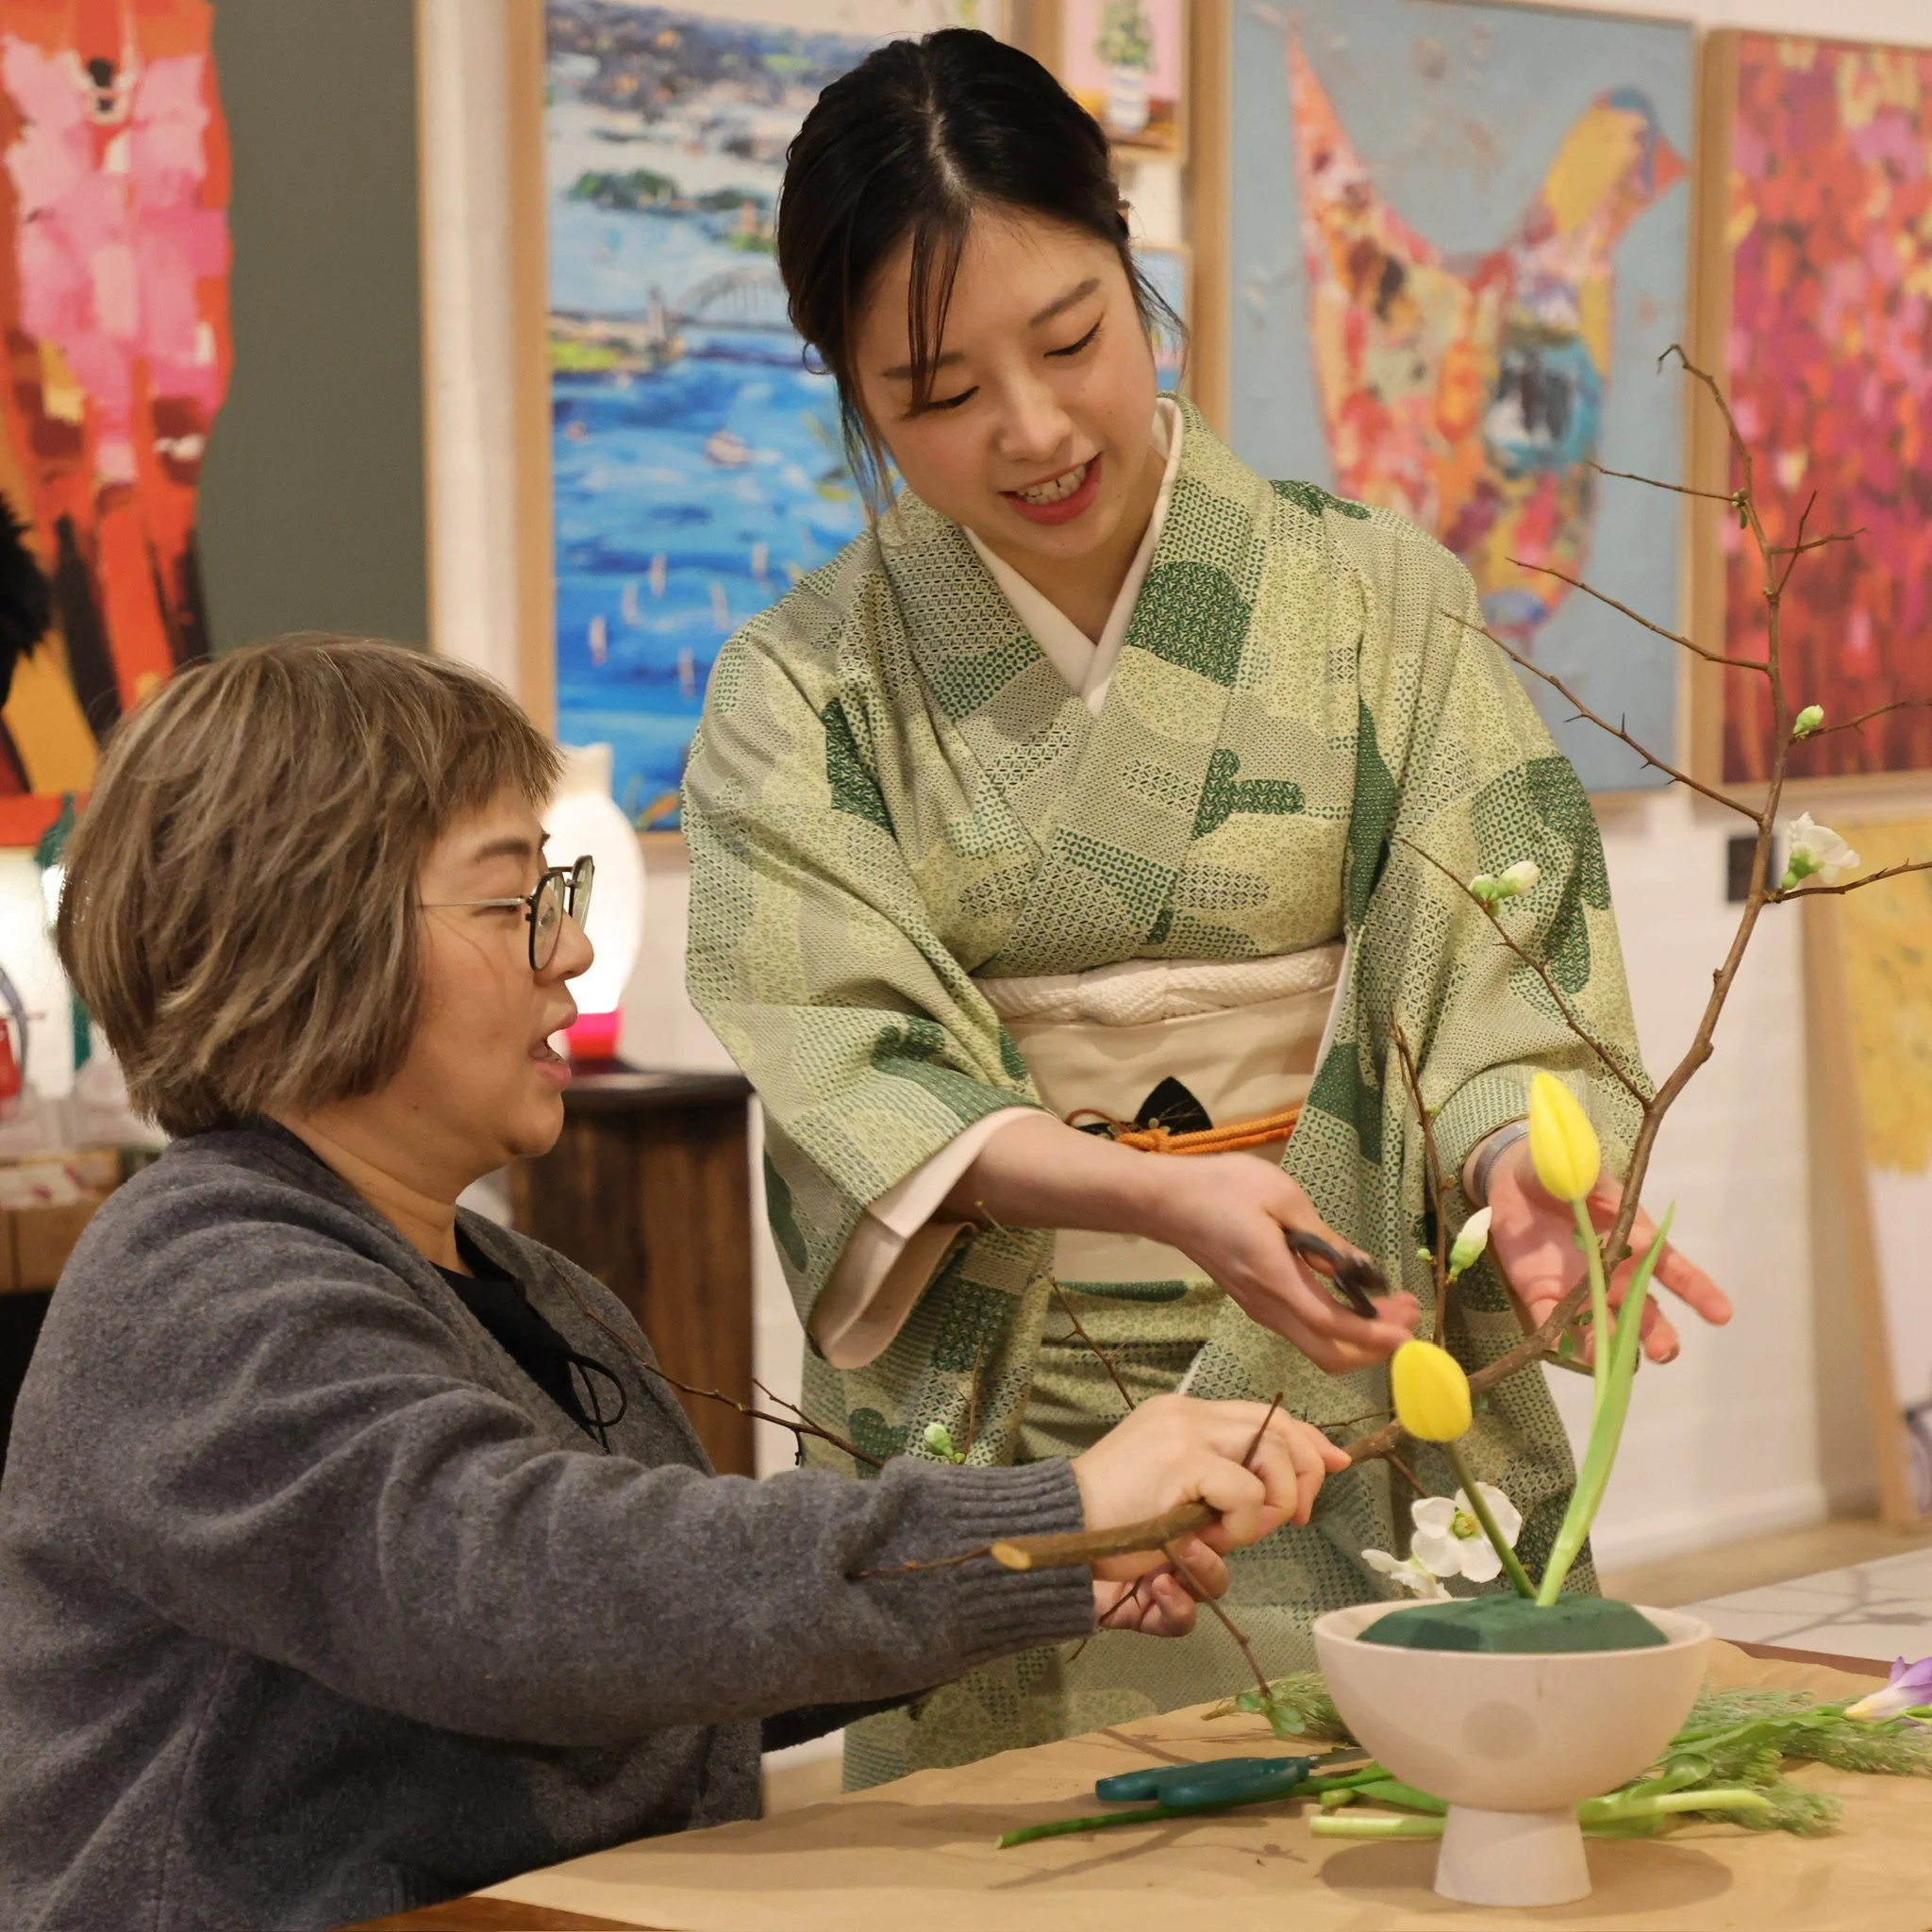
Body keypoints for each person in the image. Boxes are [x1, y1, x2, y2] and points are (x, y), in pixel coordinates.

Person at [681, 28, 1732, 1788]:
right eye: (936, 392)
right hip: (1017, 1405)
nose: (1030, 429)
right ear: (851, 390)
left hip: (1342, 1355)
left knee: (1399, 1825)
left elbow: (1492, 947)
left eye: (1074, 337)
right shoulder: (803, 686)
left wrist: (1512, 1175)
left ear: (1133, 267)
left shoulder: (1375, 598)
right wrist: (1168, 1202)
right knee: (1001, 1860)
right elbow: (834, 1039)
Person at [0, 637, 1348, 1932]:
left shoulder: (545, 1294)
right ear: (312, 933)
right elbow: (523, 1593)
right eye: (512, 900)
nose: (570, 956)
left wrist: (1047, 1569)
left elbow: (652, 1663)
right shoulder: (192, 1283)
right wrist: (1043, 1516)